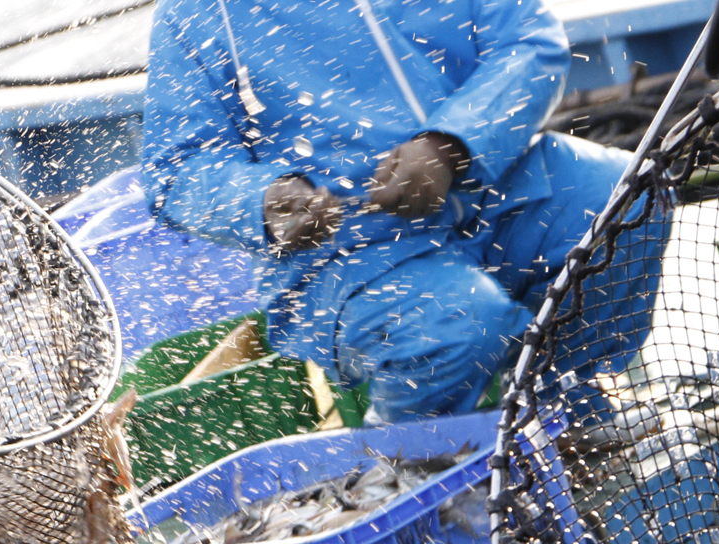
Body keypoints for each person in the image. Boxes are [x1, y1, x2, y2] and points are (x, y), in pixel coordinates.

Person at [142, 0, 661, 423]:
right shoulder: (194, 13)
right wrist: (262, 202)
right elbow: (176, 170)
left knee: (628, 195)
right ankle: (406, 472)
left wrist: (451, 145)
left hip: (497, 184)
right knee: (457, 325)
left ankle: (564, 414)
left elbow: (530, 42)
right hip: (344, 255)